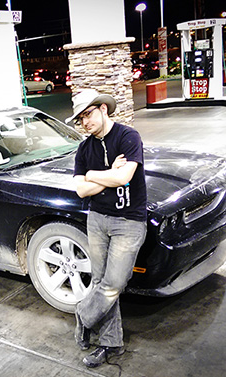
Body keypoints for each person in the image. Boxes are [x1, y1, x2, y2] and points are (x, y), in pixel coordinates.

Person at [68, 89, 147, 368]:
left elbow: (125, 176)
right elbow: (80, 190)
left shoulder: (128, 137)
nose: (85, 123)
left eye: (88, 114)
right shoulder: (84, 148)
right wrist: (104, 175)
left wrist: (95, 176)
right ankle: (109, 343)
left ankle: (83, 316)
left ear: (103, 109)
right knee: (100, 283)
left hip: (129, 223)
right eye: (80, 119)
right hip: (97, 220)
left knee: (113, 284)